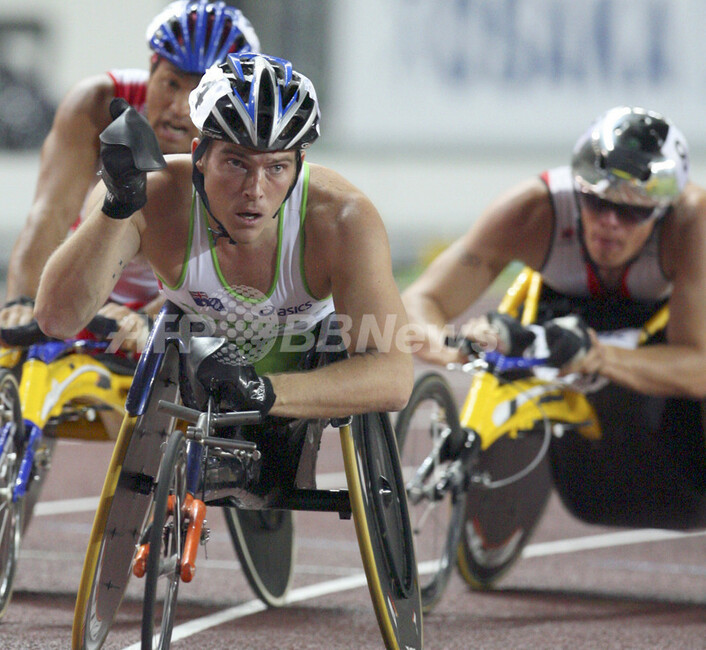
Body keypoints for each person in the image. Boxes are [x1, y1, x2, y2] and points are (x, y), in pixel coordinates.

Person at [34, 52, 413, 424]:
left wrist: (264, 390)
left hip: (304, 355)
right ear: (199, 155)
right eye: (236, 163)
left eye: (277, 167)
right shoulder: (155, 195)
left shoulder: (343, 219)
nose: (255, 190)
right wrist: (116, 208)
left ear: (299, 167)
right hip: (191, 346)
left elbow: (393, 377)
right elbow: (57, 319)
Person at [403, 105, 706, 527]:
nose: (610, 223)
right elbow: (421, 299)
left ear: (663, 208)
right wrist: (453, 349)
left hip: (659, 337)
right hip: (555, 312)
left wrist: (601, 355)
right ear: (577, 187)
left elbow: (698, 366)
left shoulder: (692, 221)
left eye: (633, 210)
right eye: (596, 201)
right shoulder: (534, 209)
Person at [0, 0, 260, 350]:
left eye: (199, 92)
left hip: (183, 298)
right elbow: (50, 212)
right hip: (87, 276)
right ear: (151, 68)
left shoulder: (245, 138)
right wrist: (20, 303)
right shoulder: (98, 101)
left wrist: (150, 317)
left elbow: (239, 260)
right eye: (171, 83)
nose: (178, 108)